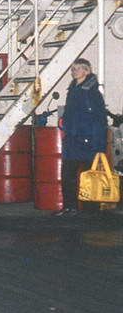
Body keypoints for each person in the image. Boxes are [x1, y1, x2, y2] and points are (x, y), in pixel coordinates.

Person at [54, 58, 107, 216]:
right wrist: (64, 123)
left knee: (89, 175)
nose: (75, 71)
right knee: (68, 173)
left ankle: (90, 209)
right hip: (73, 139)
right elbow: (70, 113)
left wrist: (99, 144)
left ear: (86, 71)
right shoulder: (73, 91)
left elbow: (99, 118)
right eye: (73, 68)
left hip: (88, 139)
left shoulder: (92, 93)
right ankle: (70, 206)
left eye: (79, 68)